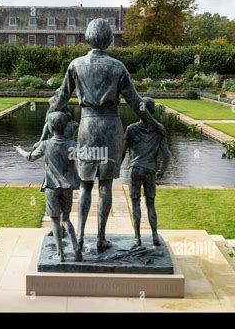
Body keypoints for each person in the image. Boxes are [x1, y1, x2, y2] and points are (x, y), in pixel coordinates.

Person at [43, 18, 165, 253]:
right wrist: (153, 122)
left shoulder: (75, 65)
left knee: (86, 185)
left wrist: (50, 116)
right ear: (109, 39)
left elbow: (60, 98)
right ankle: (100, 238)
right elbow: (136, 103)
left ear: (88, 38)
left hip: (88, 127)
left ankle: (78, 237)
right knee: (106, 185)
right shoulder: (117, 66)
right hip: (110, 127)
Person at [16, 112, 82, 262]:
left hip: (52, 187)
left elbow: (30, 157)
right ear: (66, 126)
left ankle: (61, 254)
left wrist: (18, 149)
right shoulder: (72, 145)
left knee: (54, 221)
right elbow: (85, 157)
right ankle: (76, 247)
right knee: (66, 219)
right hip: (67, 188)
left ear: (51, 128)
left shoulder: (45, 145)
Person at [122, 97, 171, 248]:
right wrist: (161, 170)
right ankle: (154, 235)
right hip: (149, 170)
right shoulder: (159, 129)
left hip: (134, 170)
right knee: (151, 204)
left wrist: (115, 168)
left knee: (135, 203)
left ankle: (137, 237)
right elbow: (167, 154)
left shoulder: (131, 129)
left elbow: (122, 151)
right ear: (153, 112)